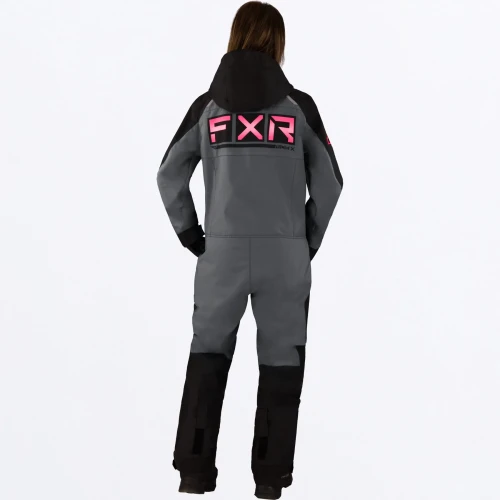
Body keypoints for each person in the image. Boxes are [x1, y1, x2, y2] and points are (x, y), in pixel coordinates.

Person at [156, 2, 343, 498]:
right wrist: (307, 240)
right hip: (286, 256)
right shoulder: (299, 107)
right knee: (282, 367)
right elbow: (331, 182)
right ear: (277, 42)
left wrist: (192, 235)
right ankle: (270, 480)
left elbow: (169, 173)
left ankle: (194, 473)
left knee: (207, 359)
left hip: (221, 255)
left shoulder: (207, 107)